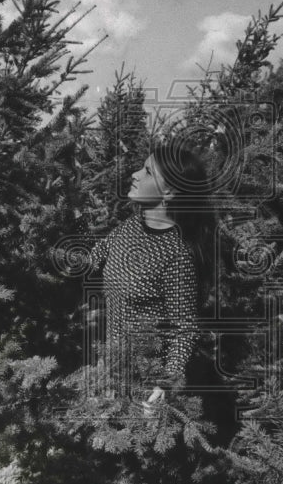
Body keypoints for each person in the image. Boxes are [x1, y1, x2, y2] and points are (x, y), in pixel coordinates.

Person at [88, 138, 211, 416]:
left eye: (147, 171)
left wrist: (165, 384)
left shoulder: (177, 255)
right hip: (110, 369)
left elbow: (185, 329)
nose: (135, 174)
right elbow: (94, 258)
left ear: (169, 192)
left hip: (146, 383)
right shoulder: (130, 227)